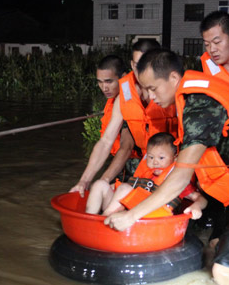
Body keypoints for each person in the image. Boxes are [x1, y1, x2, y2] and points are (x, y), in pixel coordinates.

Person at [105, 49, 229, 285]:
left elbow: (182, 175)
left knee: (223, 273)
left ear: (173, 78)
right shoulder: (191, 94)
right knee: (214, 249)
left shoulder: (198, 104)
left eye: (153, 88)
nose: (150, 97)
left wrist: (131, 216)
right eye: (146, 90)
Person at [70, 40, 178, 197]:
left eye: (144, 64)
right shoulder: (124, 96)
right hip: (141, 166)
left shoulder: (173, 93)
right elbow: (106, 141)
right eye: (135, 65)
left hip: (169, 167)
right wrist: (84, 181)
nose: (139, 71)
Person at [86, 132, 207, 218]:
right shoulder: (145, 174)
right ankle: (88, 218)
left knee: (124, 188)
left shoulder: (176, 180)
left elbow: (200, 199)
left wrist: (196, 207)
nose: (155, 162)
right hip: (125, 212)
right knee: (100, 184)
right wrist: (111, 188)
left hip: (149, 218)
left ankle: (103, 219)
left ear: (174, 158)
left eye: (161, 157)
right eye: (151, 157)